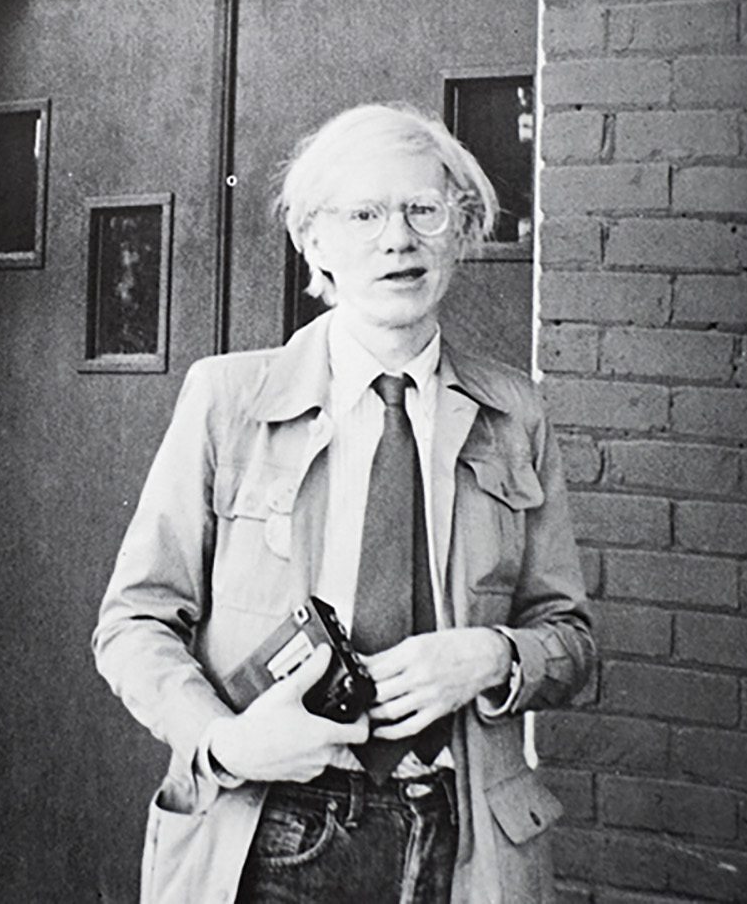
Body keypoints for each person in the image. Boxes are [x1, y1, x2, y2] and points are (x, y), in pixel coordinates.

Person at [94, 103, 594, 904]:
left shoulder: (515, 412)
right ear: (312, 240)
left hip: (463, 836)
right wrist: (225, 741)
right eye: (363, 213)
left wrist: (495, 657)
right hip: (271, 829)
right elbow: (134, 622)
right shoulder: (229, 398)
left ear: (461, 229)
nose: (397, 238)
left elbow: (570, 638)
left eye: (423, 210)